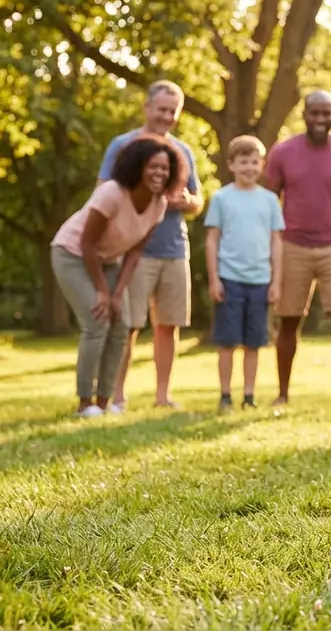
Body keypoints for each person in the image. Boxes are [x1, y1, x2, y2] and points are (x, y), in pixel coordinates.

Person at [50, 136, 177, 417]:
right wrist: (102, 292)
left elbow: (134, 251)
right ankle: (85, 404)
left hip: (108, 260)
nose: (160, 173)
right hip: (72, 254)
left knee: (121, 326)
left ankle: (105, 403)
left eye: (165, 169)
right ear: (137, 166)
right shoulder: (112, 192)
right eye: (153, 167)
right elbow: (87, 243)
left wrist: (117, 293)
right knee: (97, 322)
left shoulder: (159, 204)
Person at [98, 80, 204, 411]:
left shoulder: (182, 151)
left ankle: (162, 395)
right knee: (128, 325)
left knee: (168, 325)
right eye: (162, 109)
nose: (167, 116)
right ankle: (116, 395)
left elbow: (198, 201)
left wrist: (186, 201)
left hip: (174, 249)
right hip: (133, 250)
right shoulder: (122, 145)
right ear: (147, 107)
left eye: (173, 111)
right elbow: (103, 188)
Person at [263, 90, 331, 405]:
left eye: (326, 113)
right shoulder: (282, 153)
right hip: (291, 245)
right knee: (289, 321)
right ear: (304, 115)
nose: (320, 120)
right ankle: (282, 395)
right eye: (315, 113)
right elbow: (268, 205)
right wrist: (270, 254)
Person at [204, 135, 285, 414]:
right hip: (230, 278)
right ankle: (225, 395)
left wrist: (276, 281)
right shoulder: (221, 198)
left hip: (260, 280)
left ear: (261, 164)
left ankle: (248, 394)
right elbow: (212, 239)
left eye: (254, 162)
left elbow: (276, 242)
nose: (249, 168)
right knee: (227, 341)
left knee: (254, 342)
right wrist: (214, 278)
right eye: (243, 162)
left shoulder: (270, 200)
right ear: (231, 165)